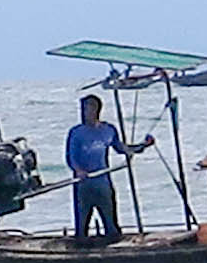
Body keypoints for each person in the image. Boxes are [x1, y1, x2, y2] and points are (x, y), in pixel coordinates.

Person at [65, 94, 153, 242]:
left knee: (111, 224)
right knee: (82, 227)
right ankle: (81, 246)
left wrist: (143, 145)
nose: (85, 112)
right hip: (84, 185)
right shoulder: (76, 132)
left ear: (97, 110)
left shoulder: (108, 130)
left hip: (103, 183)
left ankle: (113, 244)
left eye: (89, 108)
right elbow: (70, 157)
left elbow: (122, 148)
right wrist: (78, 170)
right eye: (83, 109)